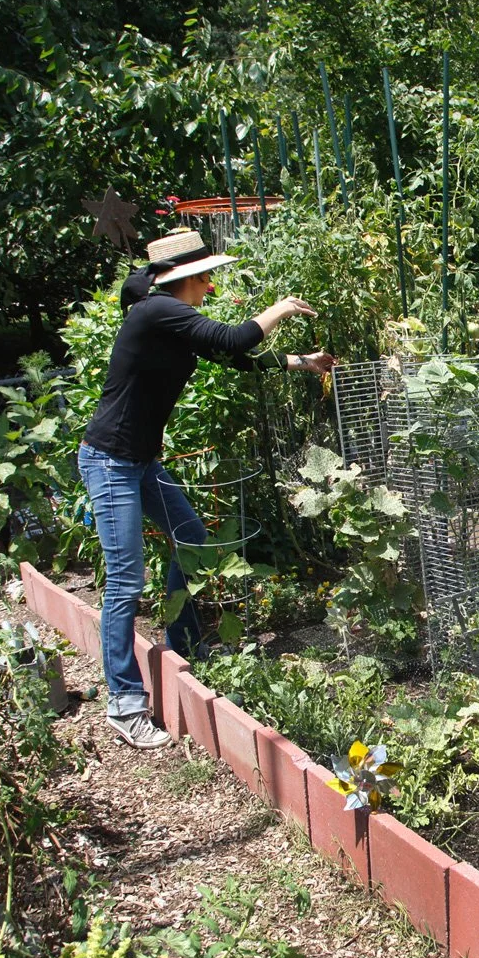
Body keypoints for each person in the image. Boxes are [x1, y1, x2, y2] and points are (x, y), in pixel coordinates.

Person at [79, 229, 334, 749]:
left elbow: (235, 359)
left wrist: (301, 364)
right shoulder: (154, 312)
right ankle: (124, 702)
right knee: (126, 580)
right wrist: (280, 308)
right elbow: (236, 339)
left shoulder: (171, 319)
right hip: (110, 462)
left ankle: (187, 646)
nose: (212, 284)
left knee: (191, 540)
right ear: (186, 279)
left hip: (141, 462)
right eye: (207, 275)